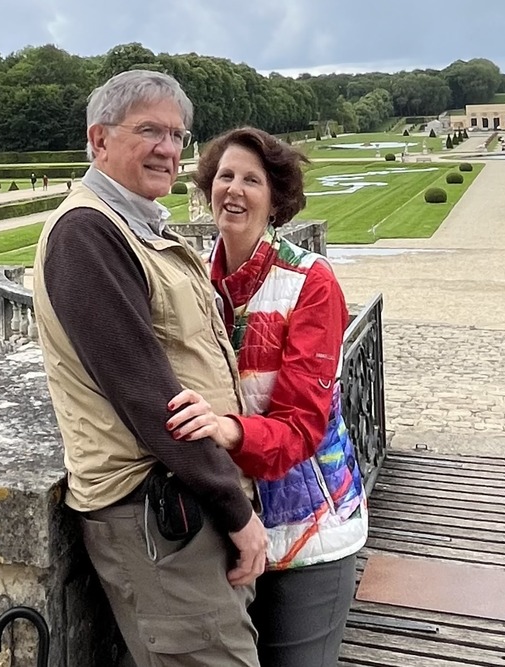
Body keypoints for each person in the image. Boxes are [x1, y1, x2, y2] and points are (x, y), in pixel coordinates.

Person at [32, 72, 267, 667]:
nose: (169, 148)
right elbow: (146, 394)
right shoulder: (88, 232)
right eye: (150, 131)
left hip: (181, 505)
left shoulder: (135, 225)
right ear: (99, 139)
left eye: (177, 134)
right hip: (156, 512)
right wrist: (238, 515)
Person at [167, 127, 368, 666]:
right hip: (233, 522)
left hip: (309, 531)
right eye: (225, 176)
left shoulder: (310, 282)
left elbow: (303, 425)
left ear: (276, 200)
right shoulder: (195, 281)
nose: (234, 189)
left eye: (251, 180)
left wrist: (226, 429)